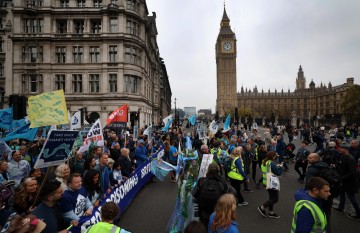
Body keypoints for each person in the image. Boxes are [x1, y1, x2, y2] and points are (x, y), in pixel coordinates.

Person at [192, 163, 229, 229]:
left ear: (208, 170)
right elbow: (226, 196)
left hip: (204, 211)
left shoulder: (201, 180)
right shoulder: (222, 181)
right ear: (218, 170)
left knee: (204, 227)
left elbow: (194, 194)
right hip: (218, 211)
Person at [332, 144, 360, 219]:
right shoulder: (342, 156)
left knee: (352, 198)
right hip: (343, 181)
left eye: (342, 148)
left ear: (346, 150)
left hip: (350, 182)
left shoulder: (351, 159)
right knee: (341, 194)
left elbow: (352, 172)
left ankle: (358, 213)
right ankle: (340, 208)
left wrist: (342, 178)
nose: (340, 149)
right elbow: (341, 167)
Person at [258, 151, 283, 218]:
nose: (276, 157)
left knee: (271, 198)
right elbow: (278, 173)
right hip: (272, 182)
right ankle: (262, 207)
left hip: (266, 181)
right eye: (275, 156)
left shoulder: (265, 161)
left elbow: (269, 169)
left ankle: (271, 212)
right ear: (273, 157)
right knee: (275, 199)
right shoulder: (272, 163)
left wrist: (276, 166)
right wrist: (280, 167)